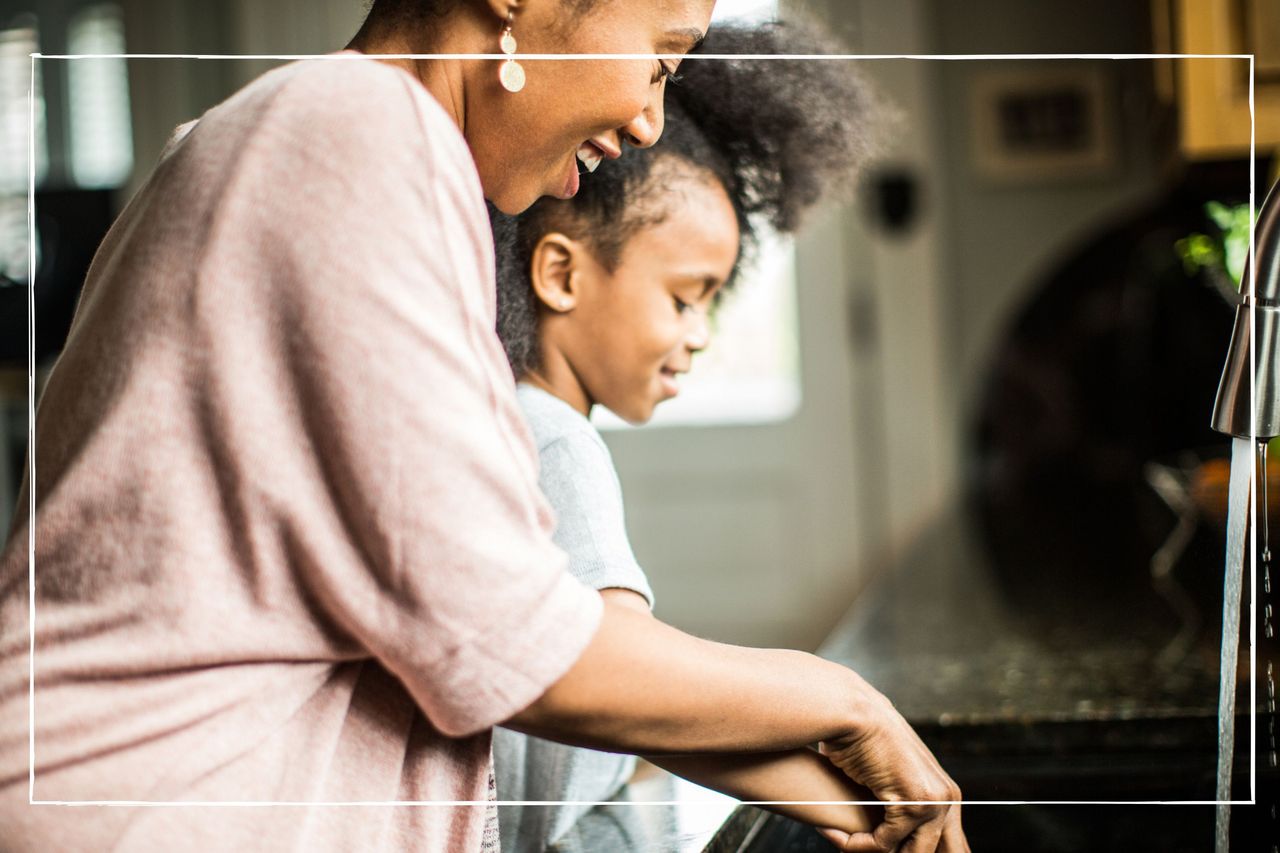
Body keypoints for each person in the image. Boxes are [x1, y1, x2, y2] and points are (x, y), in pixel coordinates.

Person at [0, 1, 966, 851]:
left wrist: (853, 801)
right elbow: (518, 644)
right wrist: (845, 702)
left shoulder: (265, 135)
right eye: (660, 60)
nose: (649, 118)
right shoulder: (361, 130)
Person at [489, 21, 884, 852]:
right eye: (683, 297)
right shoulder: (553, 441)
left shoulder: (507, 419)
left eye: (714, 301)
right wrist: (842, 768)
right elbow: (632, 685)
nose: (700, 334)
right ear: (560, 274)